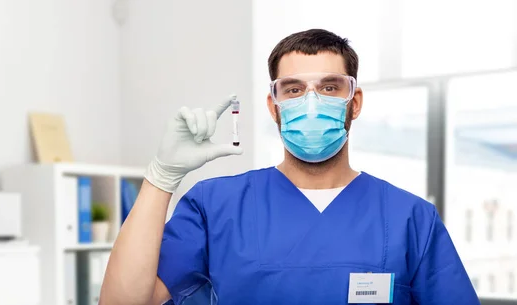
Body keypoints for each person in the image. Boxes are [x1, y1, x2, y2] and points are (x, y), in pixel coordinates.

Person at [99, 29, 480, 305]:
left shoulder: (409, 217)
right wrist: (162, 176)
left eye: (330, 87)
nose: (311, 103)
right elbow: (123, 302)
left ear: (355, 101)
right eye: (294, 89)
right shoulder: (216, 205)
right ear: (273, 105)